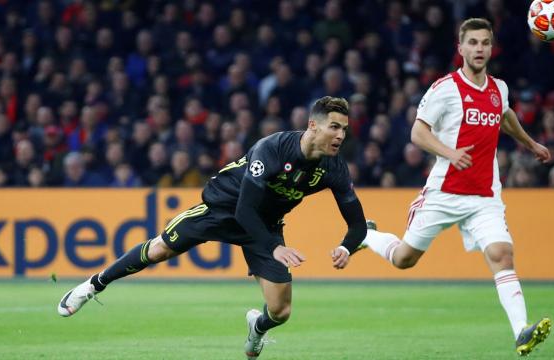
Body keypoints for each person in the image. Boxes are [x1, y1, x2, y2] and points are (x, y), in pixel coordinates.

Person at [57, 96, 367, 359]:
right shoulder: (272, 148)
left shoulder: (334, 169)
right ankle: (92, 286)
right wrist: (275, 247)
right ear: (313, 125)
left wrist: (345, 246)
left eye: (344, 129)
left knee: (280, 312)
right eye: (334, 127)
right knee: (159, 249)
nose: (340, 135)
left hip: (265, 225)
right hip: (223, 208)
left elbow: (357, 225)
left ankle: (257, 328)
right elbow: (245, 209)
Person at [359, 18, 552, 356]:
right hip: (443, 194)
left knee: (502, 254)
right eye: (473, 43)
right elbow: (418, 133)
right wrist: (450, 153)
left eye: (485, 43)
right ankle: (367, 235)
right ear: (460, 48)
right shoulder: (444, 88)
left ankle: (522, 331)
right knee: (404, 259)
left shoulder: (499, 88)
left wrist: (531, 143)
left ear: (492, 48)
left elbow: (505, 116)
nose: (479, 49)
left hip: (484, 196)